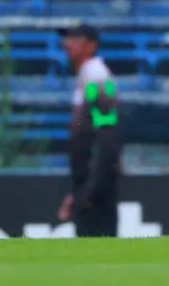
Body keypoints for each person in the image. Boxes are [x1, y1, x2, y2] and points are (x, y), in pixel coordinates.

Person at [56, 24, 122, 238]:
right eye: (67, 39)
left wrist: (92, 189)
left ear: (91, 45)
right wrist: (77, 190)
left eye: (75, 39)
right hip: (89, 184)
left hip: (97, 188)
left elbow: (107, 136)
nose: (67, 44)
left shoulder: (97, 77)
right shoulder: (85, 77)